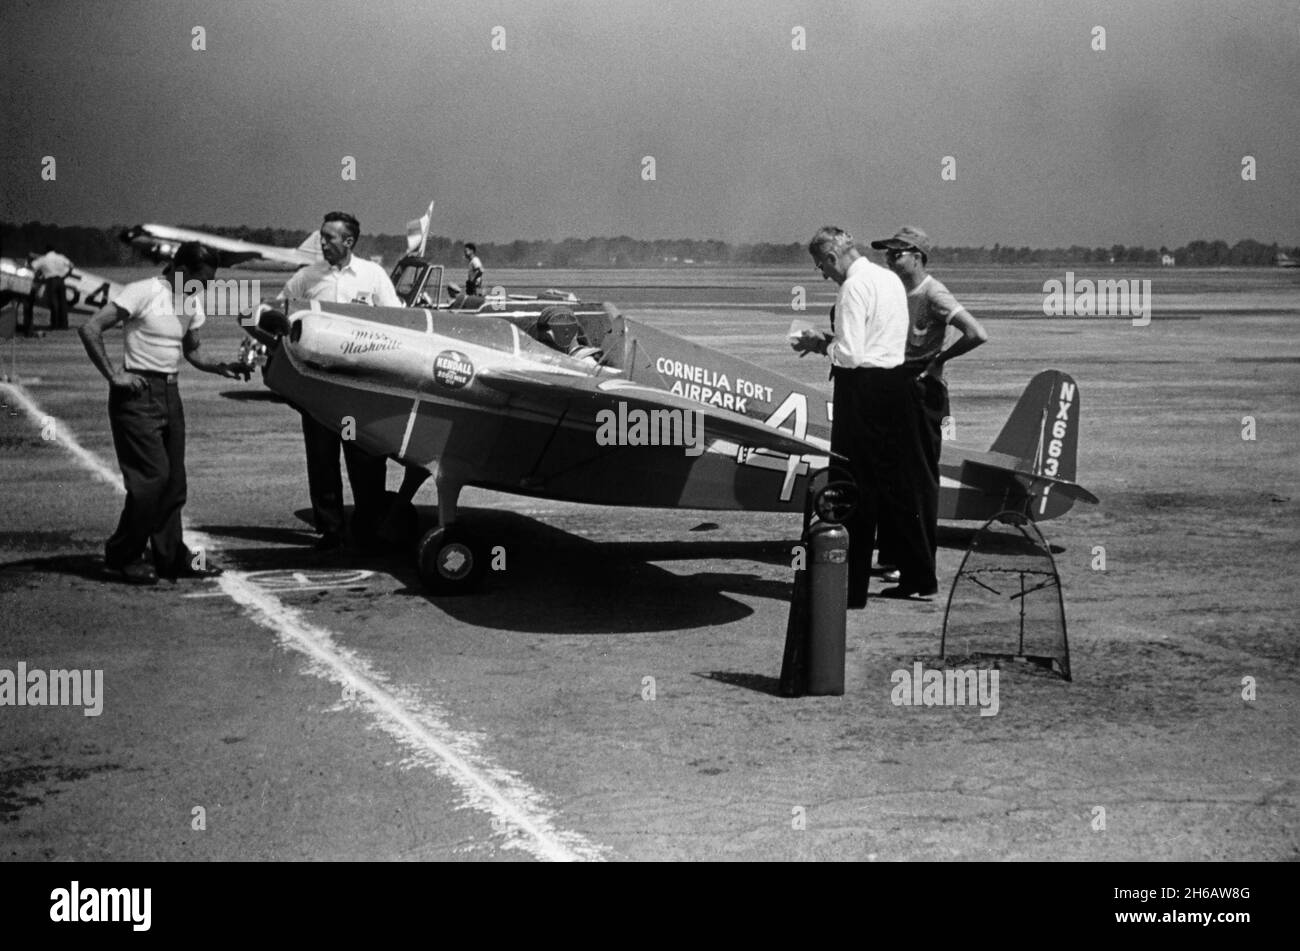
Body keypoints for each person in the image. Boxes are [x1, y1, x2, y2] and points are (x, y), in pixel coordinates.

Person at [79, 242, 247, 584]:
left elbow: (192, 349)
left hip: (171, 395)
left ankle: (172, 557)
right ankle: (123, 554)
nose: (205, 286)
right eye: (201, 279)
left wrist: (221, 367)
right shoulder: (143, 291)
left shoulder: (191, 300)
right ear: (179, 267)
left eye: (209, 281)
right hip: (137, 395)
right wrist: (114, 375)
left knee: (173, 483)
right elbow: (91, 328)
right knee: (150, 481)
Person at [791, 226, 935, 604]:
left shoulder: (852, 288)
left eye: (821, 265)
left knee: (854, 489)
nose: (822, 274)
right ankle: (920, 576)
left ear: (833, 258)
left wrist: (819, 344)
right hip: (897, 387)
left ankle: (850, 590)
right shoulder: (888, 279)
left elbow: (851, 354)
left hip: (863, 392)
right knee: (898, 488)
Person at [871, 226, 989, 586]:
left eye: (897, 253)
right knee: (890, 476)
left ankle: (920, 577)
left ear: (917, 256)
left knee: (918, 481)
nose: (889, 259)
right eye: (887, 254)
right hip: (895, 385)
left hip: (921, 392)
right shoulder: (896, 290)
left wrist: (939, 360)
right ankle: (893, 558)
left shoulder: (932, 292)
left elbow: (977, 333)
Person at [277, 211, 401, 551]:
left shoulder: (372, 276)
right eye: (322, 236)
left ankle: (370, 527)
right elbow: (279, 311)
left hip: (361, 387)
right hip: (318, 385)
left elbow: (396, 320)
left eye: (329, 237)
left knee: (366, 458)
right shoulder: (307, 277)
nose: (323, 242)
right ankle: (330, 530)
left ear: (349, 241)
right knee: (321, 458)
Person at [24, 246, 73, 335]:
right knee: (63, 303)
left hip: (51, 282)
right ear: (54, 250)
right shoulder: (61, 257)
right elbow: (72, 265)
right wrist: (66, 275)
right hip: (61, 281)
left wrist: (30, 258)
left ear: (46, 251)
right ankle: (64, 325)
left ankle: (54, 325)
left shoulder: (44, 259)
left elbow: (31, 266)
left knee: (54, 303)